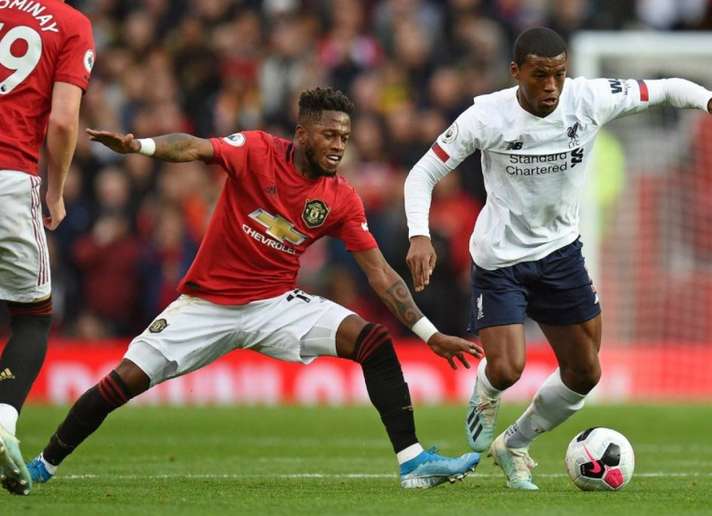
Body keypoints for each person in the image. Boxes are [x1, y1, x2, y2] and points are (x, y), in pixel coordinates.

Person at [27, 87, 483, 489]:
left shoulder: (341, 197)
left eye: (344, 137)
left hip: (275, 304)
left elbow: (381, 274)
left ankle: (412, 462)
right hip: (207, 305)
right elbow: (192, 148)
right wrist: (141, 146)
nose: (338, 146)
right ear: (302, 134)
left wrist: (429, 334)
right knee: (121, 382)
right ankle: (43, 465)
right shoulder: (257, 150)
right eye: (329, 135)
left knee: (373, 341)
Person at [404, 27, 712, 490]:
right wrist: (419, 234)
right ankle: (486, 395)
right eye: (539, 76)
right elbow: (423, 172)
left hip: (560, 256)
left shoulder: (590, 98)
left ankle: (514, 444)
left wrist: (709, 100)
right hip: (500, 261)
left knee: (586, 371)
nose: (551, 86)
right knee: (508, 367)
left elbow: (666, 89)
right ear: (516, 73)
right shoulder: (486, 117)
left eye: (558, 75)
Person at [0, 0, 94, 495]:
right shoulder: (71, 23)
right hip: (9, 177)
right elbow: (61, 122)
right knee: (33, 317)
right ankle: (1, 421)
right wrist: (54, 191)